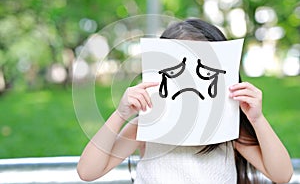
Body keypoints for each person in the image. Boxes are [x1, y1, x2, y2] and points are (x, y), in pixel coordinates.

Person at [77, 19, 293, 184]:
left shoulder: (228, 128)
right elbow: (88, 171)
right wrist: (121, 114)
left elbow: (282, 175)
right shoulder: (147, 126)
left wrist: (257, 119)